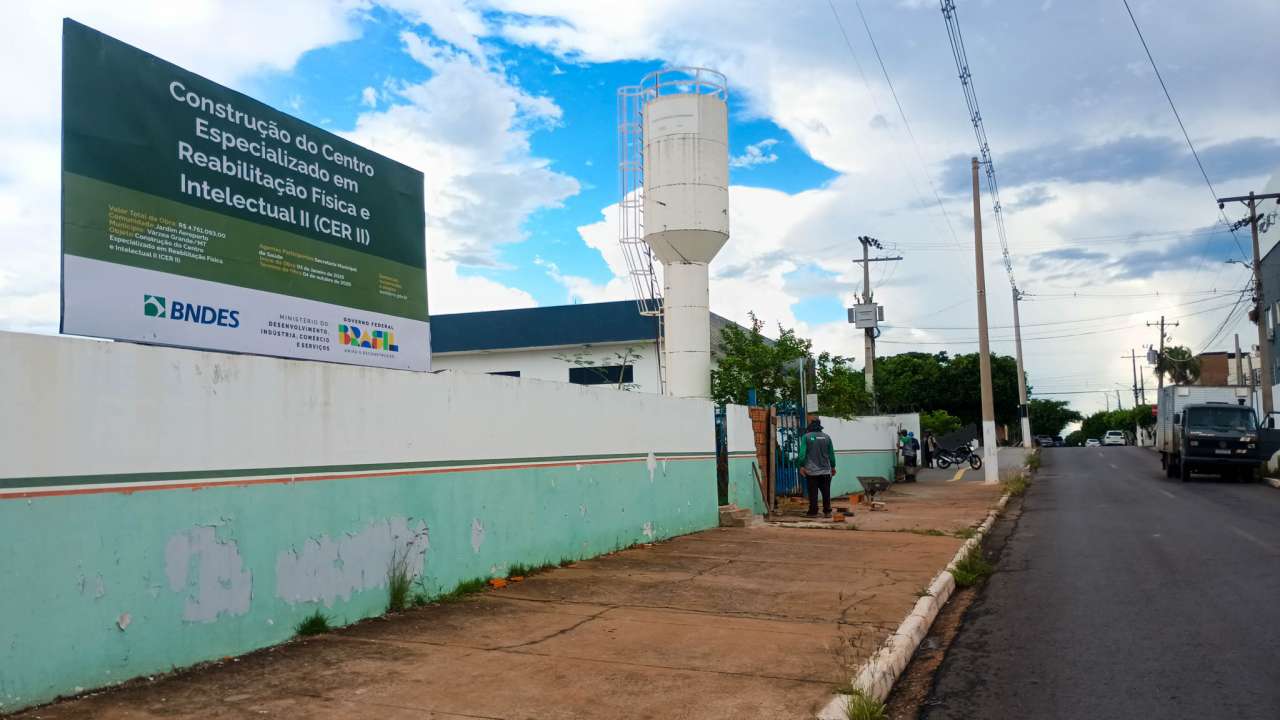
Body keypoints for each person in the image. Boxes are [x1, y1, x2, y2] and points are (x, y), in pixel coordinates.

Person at [798, 418, 837, 518]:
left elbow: (802, 454)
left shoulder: (806, 437)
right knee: (826, 492)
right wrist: (832, 466)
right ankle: (827, 511)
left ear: (810, 425)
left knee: (813, 493)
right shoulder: (827, 437)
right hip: (825, 471)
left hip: (811, 471)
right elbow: (831, 455)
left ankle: (813, 512)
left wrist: (801, 465)